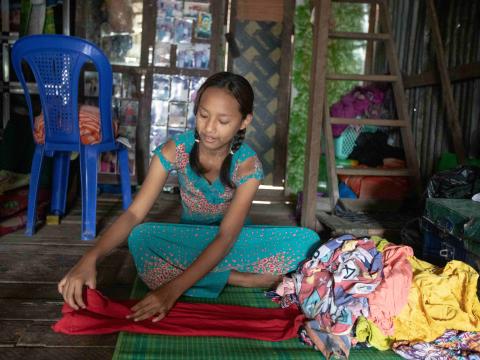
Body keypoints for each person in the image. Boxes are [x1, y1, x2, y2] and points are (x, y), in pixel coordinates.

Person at [58, 72, 319, 323]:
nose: (209, 128)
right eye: (203, 115)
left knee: (308, 242)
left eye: (223, 121)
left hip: (233, 243)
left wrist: (171, 290)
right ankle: (238, 278)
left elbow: (226, 236)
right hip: (187, 242)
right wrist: (89, 258)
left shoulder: (248, 166)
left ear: (244, 121)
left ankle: (200, 276)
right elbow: (134, 214)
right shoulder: (175, 150)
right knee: (141, 238)